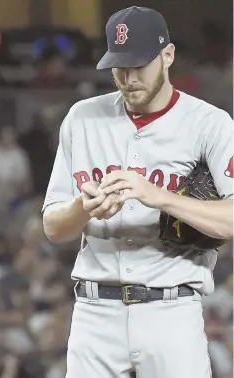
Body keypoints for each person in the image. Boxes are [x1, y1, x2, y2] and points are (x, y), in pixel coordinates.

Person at [42, 6, 233, 378]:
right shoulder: (82, 118)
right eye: (119, 67)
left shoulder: (209, 124)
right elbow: (53, 227)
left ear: (168, 55)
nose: (128, 78)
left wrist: (159, 197)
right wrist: (84, 207)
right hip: (94, 315)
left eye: (139, 65)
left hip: (171, 310)